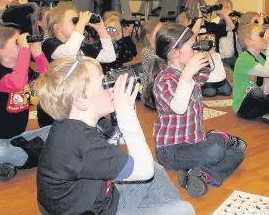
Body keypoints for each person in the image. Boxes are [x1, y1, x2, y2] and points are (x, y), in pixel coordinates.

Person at [34, 56, 195, 215]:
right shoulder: (81, 142)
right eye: (103, 84)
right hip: (93, 211)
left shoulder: (71, 126)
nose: (112, 88)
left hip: (101, 201)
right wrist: (126, 113)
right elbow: (143, 170)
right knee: (183, 210)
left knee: (156, 171)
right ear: (80, 100)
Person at [144, 23, 246, 197]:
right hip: (171, 150)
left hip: (196, 142)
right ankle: (218, 138)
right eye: (193, 46)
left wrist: (213, 55)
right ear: (174, 52)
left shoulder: (191, 72)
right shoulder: (164, 79)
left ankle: (198, 174)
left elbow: (219, 76)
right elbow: (179, 108)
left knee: (237, 154)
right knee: (214, 151)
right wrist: (187, 75)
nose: (197, 49)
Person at [0, 26, 50, 181]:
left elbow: (49, 81)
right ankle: (28, 158)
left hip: (18, 137)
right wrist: (24, 51)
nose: (22, 44)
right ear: (2, 51)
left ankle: (4, 162)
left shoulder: (24, 69)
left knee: (58, 130)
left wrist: (38, 54)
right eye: (16, 42)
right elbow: (16, 83)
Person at [42, 2, 116, 64]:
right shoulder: (50, 44)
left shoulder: (81, 47)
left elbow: (109, 57)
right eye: (75, 21)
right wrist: (81, 23)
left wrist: (101, 30)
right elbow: (70, 52)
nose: (78, 24)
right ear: (58, 28)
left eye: (78, 21)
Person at [140, 20, 163, 109]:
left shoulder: (160, 50)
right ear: (149, 37)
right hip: (151, 96)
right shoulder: (147, 52)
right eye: (159, 32)